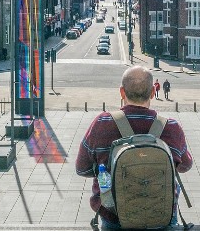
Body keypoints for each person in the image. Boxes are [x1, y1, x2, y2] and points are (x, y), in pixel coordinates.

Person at [75, 66, 193, 229]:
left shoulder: (102, 123)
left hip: (113, 216)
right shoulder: (171, 127)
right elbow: (185, 166)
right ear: (153, 92)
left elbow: (81, 169)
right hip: (161, 214)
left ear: (122, 92)